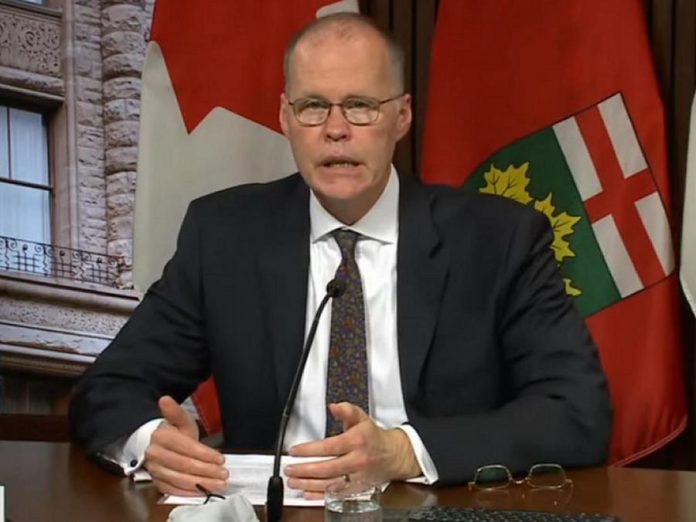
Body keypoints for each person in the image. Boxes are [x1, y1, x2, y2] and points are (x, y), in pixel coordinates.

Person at [69, 13, 612, 499]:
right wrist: (150, 440)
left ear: (401, 117)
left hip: (441, 510)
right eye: (312, 107)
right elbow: (108, 388)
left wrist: (403, 452)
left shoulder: (499, 239)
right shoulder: (226, 236)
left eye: (360, 106)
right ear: (284, 118)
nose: (335, 129)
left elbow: (576, 412)